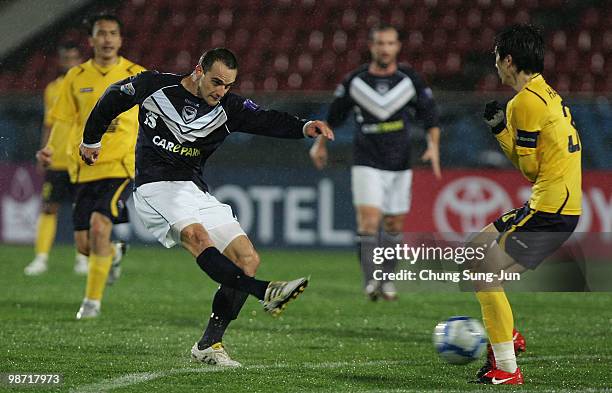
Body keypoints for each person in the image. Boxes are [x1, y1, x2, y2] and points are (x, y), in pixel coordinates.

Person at [79, 48, 335, 366]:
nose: (221, 91)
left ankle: (209, 345)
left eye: (227, 85)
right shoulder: (154, 86)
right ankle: (264, 291)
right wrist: (92, 139)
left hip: (194, 191)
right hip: (154, 188)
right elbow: (113, 97)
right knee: (197, 237)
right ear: (199, 70)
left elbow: (266, 119)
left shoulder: (228, 107)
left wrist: (303, 126)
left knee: (247, 258)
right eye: (216, 82)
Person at [472, 24, 582, 385]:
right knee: (477, 250)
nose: (496, 67)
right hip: (555, 207)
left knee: (482, 272)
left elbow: (530, 170)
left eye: (496, 59)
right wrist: (503, 130)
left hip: (550, 209)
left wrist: (501, 131)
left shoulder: (524, 102)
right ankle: (509, 339)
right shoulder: (542, 92)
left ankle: (505, 368)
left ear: (508, 59)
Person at [310, 23, 441, 301]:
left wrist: (433, 146)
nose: (385, 48)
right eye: (380, 43)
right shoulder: (355, 81)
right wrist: (319, 144)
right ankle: (371, 281)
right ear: (371, 46)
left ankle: (388, 280)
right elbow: (333, 116)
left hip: (399, 162)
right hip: (366, 160)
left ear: (397, 47)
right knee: (369, 221)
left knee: (394, 224)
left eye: (390, 43)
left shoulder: (409, 80)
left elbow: (430, 116)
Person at [37, 14, 146, 319]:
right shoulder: (76, 76)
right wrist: (50, 149)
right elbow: (63, 119)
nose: (107, 39)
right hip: (84, 168)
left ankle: (91, 303)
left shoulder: (137, 74)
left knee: (100, 226)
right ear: (92, 40)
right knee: (85, 245)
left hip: (122, 165)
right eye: (102, 33)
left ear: (120, 40)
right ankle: (113, 253)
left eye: (113, 33)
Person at [25, 42, 85, 276]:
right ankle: (40, 258)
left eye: (74, 58)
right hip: (57, 158)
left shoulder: (90, 85)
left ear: (80, 59)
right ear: (61, 61)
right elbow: (49, 124)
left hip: (81, 159)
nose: (70, 62)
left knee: (83, 210)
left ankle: (82, 258)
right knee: (49, 208)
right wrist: (44, 151)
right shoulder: (52, 89)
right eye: (66, 58)